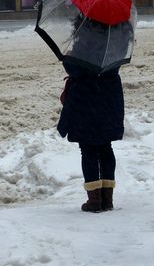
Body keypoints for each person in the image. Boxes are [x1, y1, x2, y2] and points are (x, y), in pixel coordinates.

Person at [57, 17, 129, 213]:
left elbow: (77, 70)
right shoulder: (119, 38)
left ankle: (94, 200)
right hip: (109, 96)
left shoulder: (85, 40)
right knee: (105, 146)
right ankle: (107, 198)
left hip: (86, 99)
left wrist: (69, 56)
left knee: (88, 148)